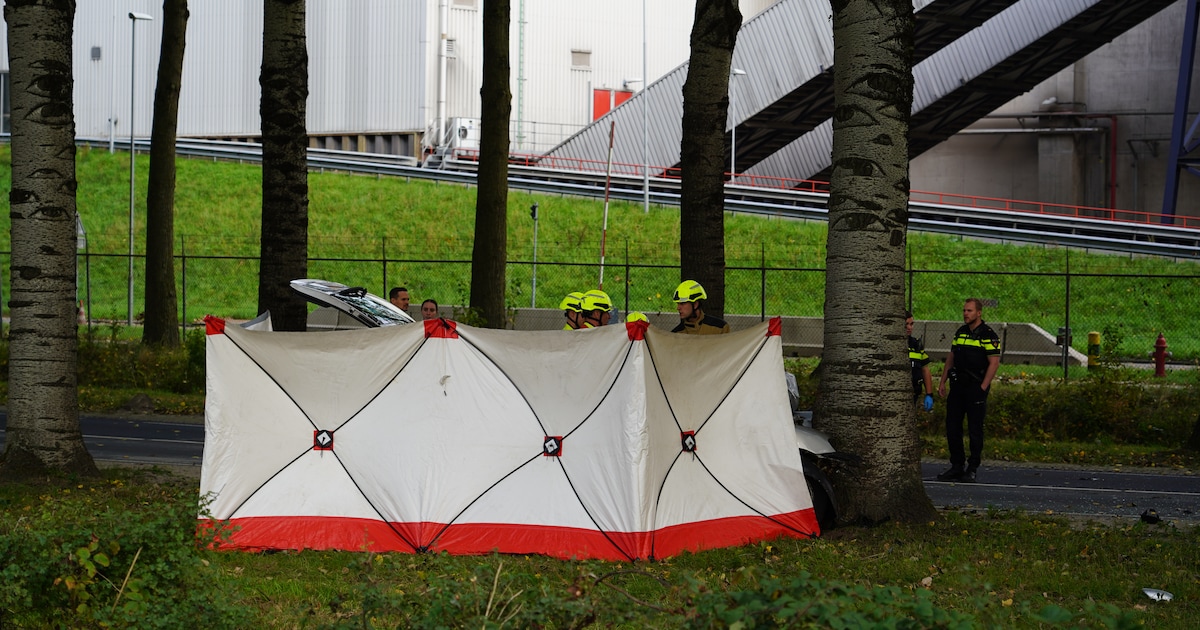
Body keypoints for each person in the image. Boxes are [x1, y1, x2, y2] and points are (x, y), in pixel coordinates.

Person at [936, 298, 1001, 483]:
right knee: (952, 427)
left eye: (970, 311)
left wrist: (982, 387)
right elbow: (951, 357)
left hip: (975, 387)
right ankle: (957, 466)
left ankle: (972, 467)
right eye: (964, 310)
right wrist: (943, 381)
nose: (966, 313)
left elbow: (994, 363)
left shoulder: (988, 335)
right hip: (957, 387)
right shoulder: (961, 332)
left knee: (974, 430)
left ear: (979, 313)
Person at [906, 311, 934, 413]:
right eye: (906, 324)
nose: (909, 327)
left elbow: (925, 369)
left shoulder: (916, 345)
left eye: (911, 324)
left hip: (913, 394)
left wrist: (929, 394)